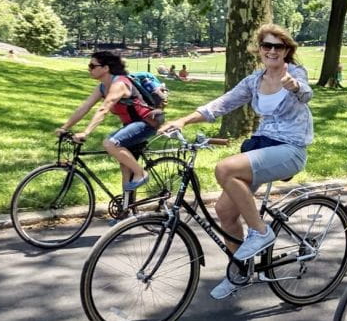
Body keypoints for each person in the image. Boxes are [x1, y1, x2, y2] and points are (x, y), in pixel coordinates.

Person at [159, 24, 313, 300]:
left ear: (287, 51)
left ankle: (260, 232)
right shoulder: (254, 80)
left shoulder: (295, 74)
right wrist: (183, 119)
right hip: (262, 148)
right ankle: (240, 272)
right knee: (225, 212)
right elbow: (221, 104)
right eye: (267, 46)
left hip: (290, 149)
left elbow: (305, 93)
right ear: (260, 50)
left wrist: (294, 85)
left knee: (225, 168)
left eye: (278, 47)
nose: (272, 51)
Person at [55, 51, 156, 191]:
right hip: (131, 125)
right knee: (125, 167)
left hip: (146, 123)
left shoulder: (120, 83)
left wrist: (86, 132)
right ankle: (127, 208)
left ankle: (141, 173)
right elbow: (84, 107)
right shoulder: (102, 87)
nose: (89, 69)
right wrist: (64, 127)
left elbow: (104, 108)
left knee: (110, 143)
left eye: (92, 65)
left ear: (106, 68)